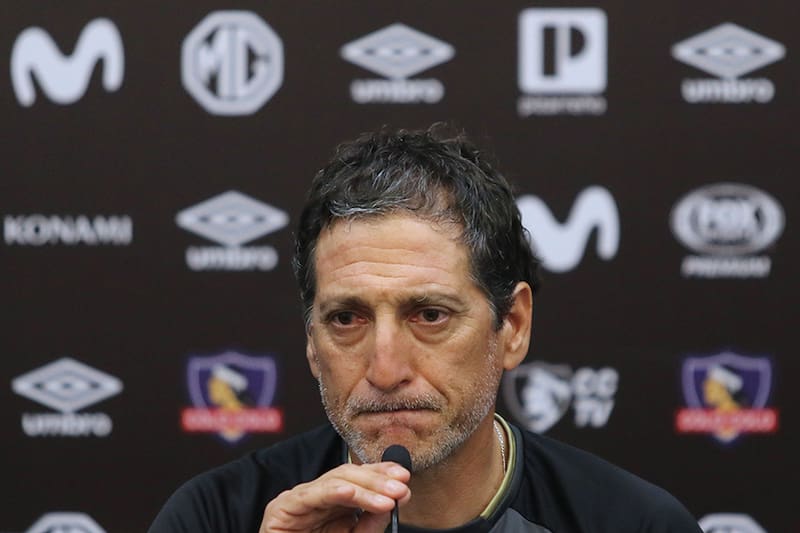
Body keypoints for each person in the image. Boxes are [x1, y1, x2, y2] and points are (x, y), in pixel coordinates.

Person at [149, 125, 703, 532]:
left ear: (512, 326)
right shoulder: (215, 517)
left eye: (430, 315)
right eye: (346, 319)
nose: (385, 370)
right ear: (312, 343)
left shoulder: (634, 523)